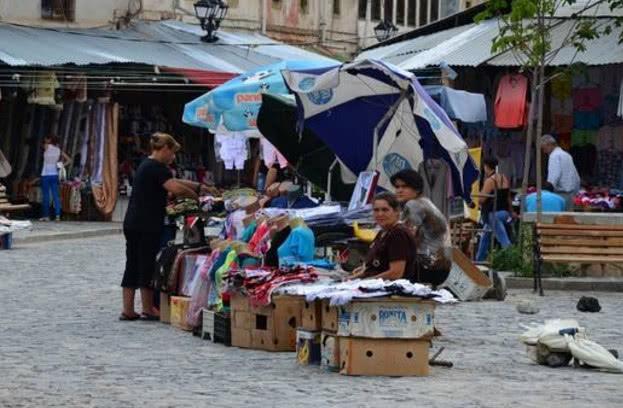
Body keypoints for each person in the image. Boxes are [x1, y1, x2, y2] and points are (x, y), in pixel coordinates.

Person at [120, 132, 207, 321]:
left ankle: (128, 309)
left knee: (133, 263)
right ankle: (148, 308)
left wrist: (197, 186)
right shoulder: (158, 167)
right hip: (147, 223)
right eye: (172, 153)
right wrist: (195, 196)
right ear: (165, 149)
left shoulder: (147, 164)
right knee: (147, 263)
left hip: (133, 222)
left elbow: (173, 182)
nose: (173, 157)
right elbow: (175, 188)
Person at [390, 169, 452, 286]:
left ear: (417, 189)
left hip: (425, 267)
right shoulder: (426, 202)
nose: (399, 190)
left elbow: (405, 237)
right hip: (442, 269)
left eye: (404, 187)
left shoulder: (413, 204)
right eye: (397, 187)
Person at [348, 193, 417, 282]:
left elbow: (396, 273)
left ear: (396, 211)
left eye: (385, 210)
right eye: (376, 210)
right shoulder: (383, 232)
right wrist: (359, 274)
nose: (380, 214)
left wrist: (366, 281)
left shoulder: (398, 234)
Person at [475, 157, 513, 262]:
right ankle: (479, 259)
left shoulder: (490, 181)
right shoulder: (504, 178)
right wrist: (512, 212)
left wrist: (474, 196)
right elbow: (508, 197)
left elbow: (482, 199)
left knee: (502, 236)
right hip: (504, 212)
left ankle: (511, 257)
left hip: (492, 213)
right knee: (485, 236)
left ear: (486, 167)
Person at [541, 134, 581, 211]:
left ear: (549, 145)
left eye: (544, 148)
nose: (544, 152)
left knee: (559, 219)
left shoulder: (554, 156)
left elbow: (554, 176)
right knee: (568, 219)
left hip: (560, 194)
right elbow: (576, 177)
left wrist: (547, 191)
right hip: (570, 194)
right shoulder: (566, 155)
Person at [39, 136, 70, 221]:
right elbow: (69, 160)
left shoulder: (46, 146)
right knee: (56, 195)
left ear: (50, 140)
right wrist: (61, 165)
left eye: (47, 138)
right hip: (55, 174)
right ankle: (57, 216)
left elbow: (42, 145)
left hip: (45, 174)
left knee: (46, 196)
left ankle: (46, 216)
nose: (45, 140)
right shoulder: (59, 150)